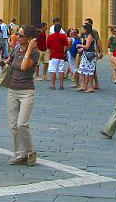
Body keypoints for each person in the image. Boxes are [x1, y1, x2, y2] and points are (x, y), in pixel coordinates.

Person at [5, 24, 39, 165]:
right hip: (12, 89)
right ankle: (20, 155)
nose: (17, 37)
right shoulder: (16, 49)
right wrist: (3, 62)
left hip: (26, 91)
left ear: (29, 38)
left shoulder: (35, 53)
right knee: (13, 125)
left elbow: (25, 67)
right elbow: (9, 63)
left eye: (20, 35)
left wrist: (29, 48)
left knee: (22, 124)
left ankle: (31, 152)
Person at [45, 24, 69, 90]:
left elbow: (48, 46)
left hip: (53, 55)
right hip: (61, 55)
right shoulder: (63, 36)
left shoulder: (51, 36)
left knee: (53, 70)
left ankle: (53, 85)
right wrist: (64, 51)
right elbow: (66, 45)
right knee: (61, 70)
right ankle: (61, 85)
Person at [77, 24, 98, 93]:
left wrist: (80, 45)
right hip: (85, 55)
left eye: (83, 29)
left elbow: (87, 47)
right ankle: (84, 86)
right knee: (82, 70)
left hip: (90, 57)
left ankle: (91, 87)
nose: (82, 30)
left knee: (89, 72)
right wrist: (82, 49)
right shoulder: (86, 36)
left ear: (87, 29)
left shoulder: (90, 36)